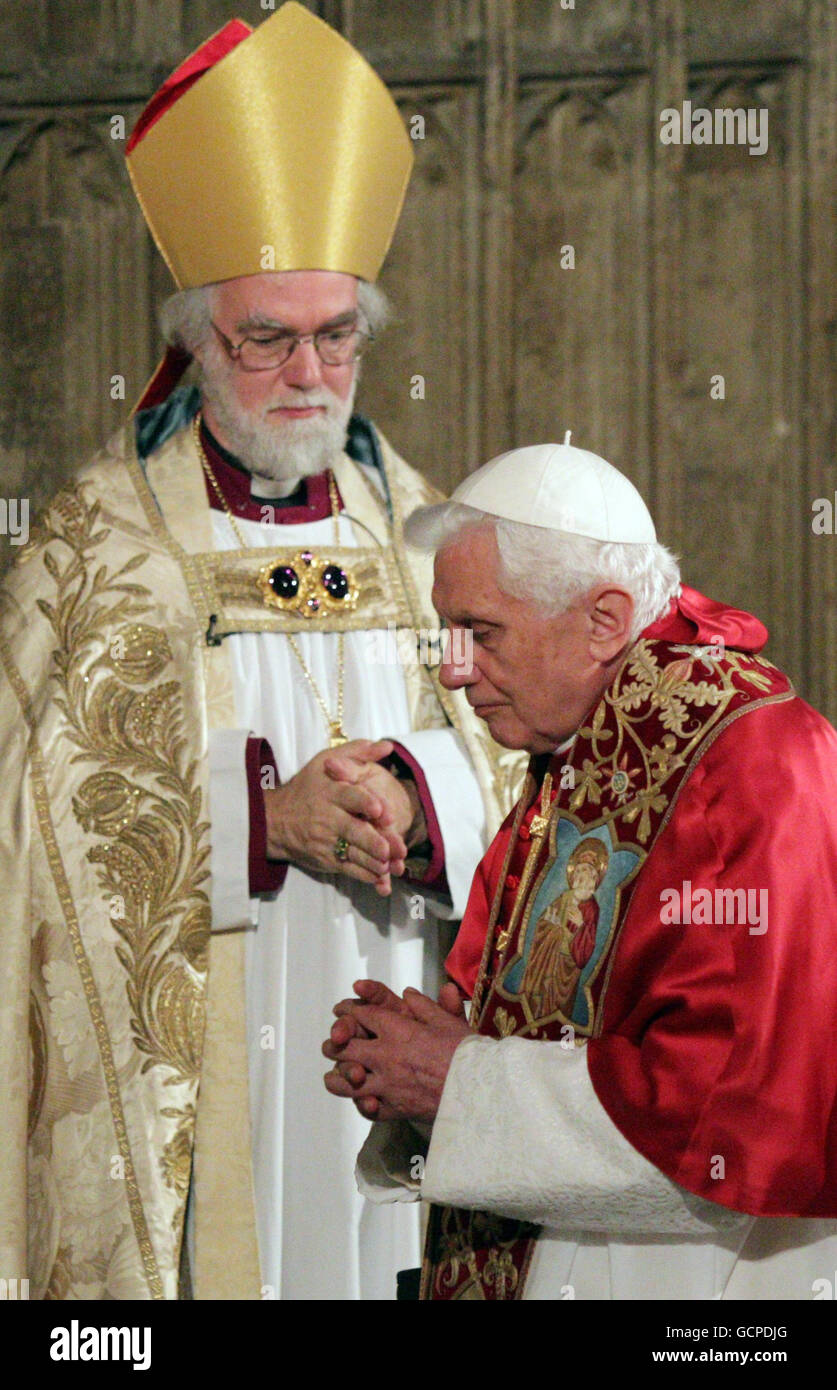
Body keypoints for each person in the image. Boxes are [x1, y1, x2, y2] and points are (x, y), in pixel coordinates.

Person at [0, 4, 516, 1301]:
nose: (308, 371)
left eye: (336, 332)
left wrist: (417, 787)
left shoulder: (425, 533)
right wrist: (254, 815)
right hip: (217, 1058)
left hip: (406, 1001)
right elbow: (35, 821)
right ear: (194, 338)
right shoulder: (90, 547)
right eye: (266, 338)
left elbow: (528, 759)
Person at [323, 437, 837, 1300]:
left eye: (479, 633)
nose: (454, 671)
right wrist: (419, 1073)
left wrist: (459, 1084)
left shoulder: (749, 761)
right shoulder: (586, 741)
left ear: (603, 619)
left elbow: (731, 1113)